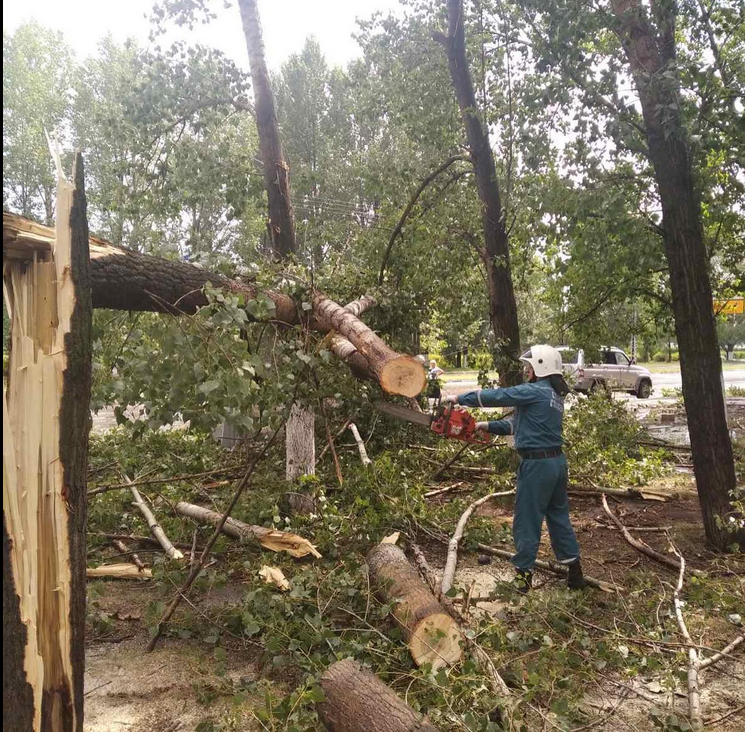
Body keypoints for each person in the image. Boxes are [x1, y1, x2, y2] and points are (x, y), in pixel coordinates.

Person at [442, 345, 587, 593]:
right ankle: (575, 575)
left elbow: (499, 396)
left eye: (529, 367)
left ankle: (522, 581)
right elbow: (518, 425)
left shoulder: (534, 391)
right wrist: (486, 425)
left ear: (540, 367)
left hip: (537, 465)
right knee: (558, 517)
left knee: (526, 521)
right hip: (556, 463)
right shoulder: (553, 395)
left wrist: (458, 398)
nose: (526, 370)